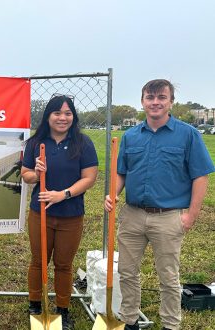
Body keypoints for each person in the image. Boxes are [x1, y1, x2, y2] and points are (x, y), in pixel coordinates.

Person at [104, 79, 214, 330]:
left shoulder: (188, 135)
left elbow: (200, 176)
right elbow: (121, 171)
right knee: (127, 272)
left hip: (168, 216)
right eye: (150, 97)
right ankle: (129, 320)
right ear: (142, 101)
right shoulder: (131, 137)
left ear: (171, 102)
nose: (155, 102)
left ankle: (170, 324)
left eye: (161, 97)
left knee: (168, 276)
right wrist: (113, 193)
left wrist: (191, 216)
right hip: (132, 215)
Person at [21, 94, 98, 329]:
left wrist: (62, 194)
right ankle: (35, 304)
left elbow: (89, 178)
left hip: (71, 214)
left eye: (67, 113)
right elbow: (26, 176)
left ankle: (62, 310)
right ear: (48, 116)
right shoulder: (36, 142)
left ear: (73, 117)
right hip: (40, 213)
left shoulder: (83, 143)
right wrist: (36, 172)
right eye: (57, 113)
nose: (62, 118)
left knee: (64, 264)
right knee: (38, 261)